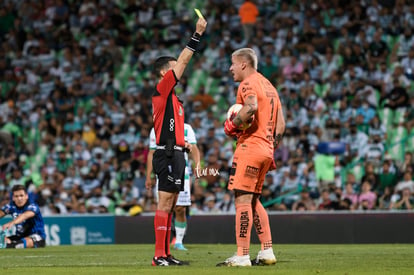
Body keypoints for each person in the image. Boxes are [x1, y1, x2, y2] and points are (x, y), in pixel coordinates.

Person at [145, 17, 207, 266]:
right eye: (173, 68)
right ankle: (158, 255)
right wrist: (197, 35)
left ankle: (166, 254)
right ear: (164, 73)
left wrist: (186, 145)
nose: (178, 71)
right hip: (166, 154)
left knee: (170, 204)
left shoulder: (175, 101)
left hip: (177, 154)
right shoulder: (162, 89)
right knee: (165, 202)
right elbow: (182, 61)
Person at [218, 48, 285, 267]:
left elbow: (251, 107)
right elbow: (281, 127)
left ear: (244, 65)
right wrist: (269, 147)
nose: (230, 68)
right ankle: (266, 251)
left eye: (233, 63)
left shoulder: (247, 84)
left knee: (242, 200)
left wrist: (232, 125)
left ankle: (242, 255)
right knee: (254, 200)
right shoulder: (270, 86)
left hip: (251, 147)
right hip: (266, 150)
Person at [146, 123, 200, 251]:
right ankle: (163, 242)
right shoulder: (157, 129)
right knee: (166, 206)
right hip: (164, 170)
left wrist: (197, 165)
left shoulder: (187, 128)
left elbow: (194, 148)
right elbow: (151, 153)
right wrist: (149, 175)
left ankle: (179, 241)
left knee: (180, 208)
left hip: (182, 171)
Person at [0, 185, 46, 249]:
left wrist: (12, 223)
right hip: (20, 237)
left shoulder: (33, 206)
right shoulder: (10, 206)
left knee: (23, 242)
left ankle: (12, 245)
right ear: (13, 198)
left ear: (26, 196)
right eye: (16, 196)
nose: (19, 198)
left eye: (21, 195)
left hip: (36, 236)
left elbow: (24, 215)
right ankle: (11, 244)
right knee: (2, 240)